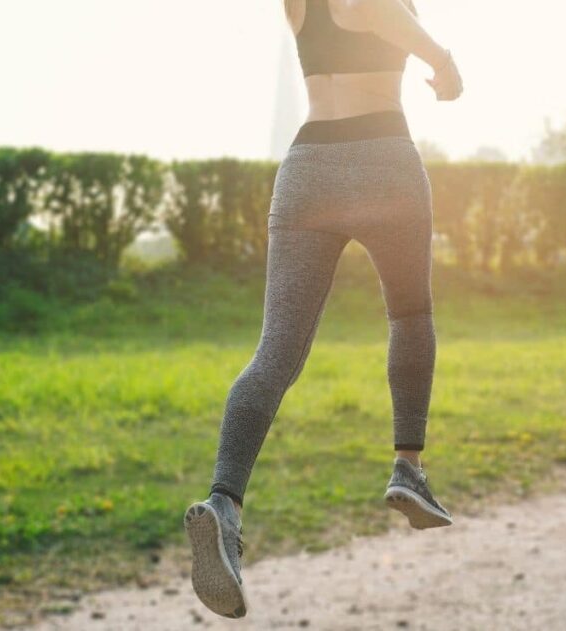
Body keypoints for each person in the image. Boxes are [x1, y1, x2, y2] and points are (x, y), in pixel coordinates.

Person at [182, 0, 463, 619]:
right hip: (384, 158)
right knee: (409, 317)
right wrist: (442, 60)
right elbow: (376, 13)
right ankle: (407, 466)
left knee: (275, 352)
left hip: (308, 166)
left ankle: (224, 505)